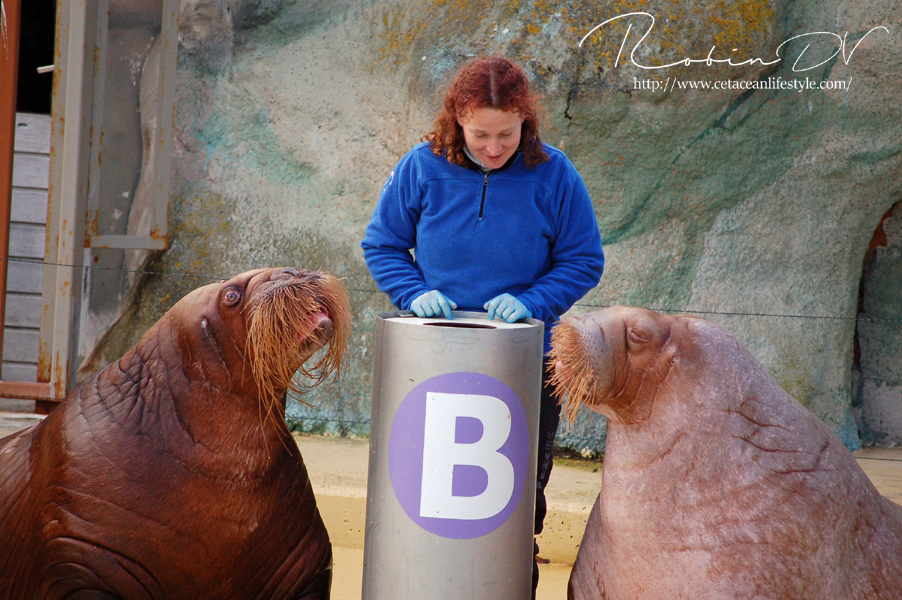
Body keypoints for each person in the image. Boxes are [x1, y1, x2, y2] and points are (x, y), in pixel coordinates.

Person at [361, 55, 604, 596]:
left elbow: (584, 259)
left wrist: (534, 301)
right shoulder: (421, 167)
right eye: (480, 135)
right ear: (458, 120)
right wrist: (413, 292)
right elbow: (382, 244)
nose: (494, 148)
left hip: (527, 361)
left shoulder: (554, 173)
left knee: (516, 504)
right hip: (431, 359)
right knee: (427, 493)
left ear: (525, 121)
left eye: (506, 135)